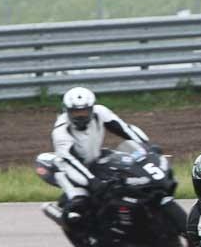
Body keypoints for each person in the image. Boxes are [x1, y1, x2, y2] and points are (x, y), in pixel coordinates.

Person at [50, 86, 150, 222]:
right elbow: (70, 160)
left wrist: (147, 146)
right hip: (70, 167)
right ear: (66, 111)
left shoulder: (100, 112)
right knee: (79, 203)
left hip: (96, 158)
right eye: (75, 112)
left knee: (127, 173)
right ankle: (69, 214)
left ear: (92, 109)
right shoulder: (61, 131)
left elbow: (125, 129)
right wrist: (92, 181)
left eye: (84, 112)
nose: (80, 116)